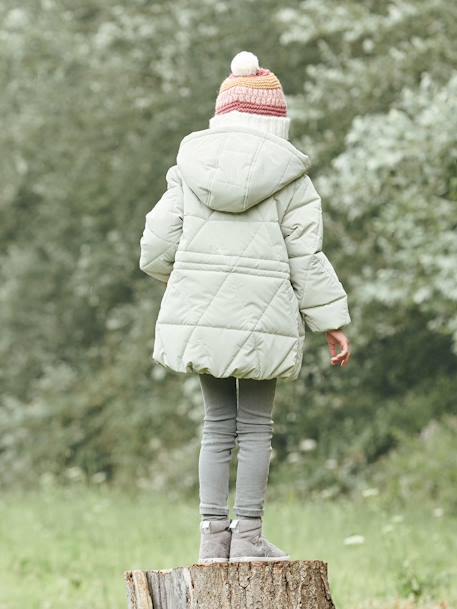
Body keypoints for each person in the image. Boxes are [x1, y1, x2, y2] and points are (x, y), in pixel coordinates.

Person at [139, 51, 352, 564]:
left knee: (216, 425)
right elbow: (307, 256)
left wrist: (187, 280)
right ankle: (249, 537)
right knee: (256, 429)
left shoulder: (187, 170)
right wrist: (333, 322)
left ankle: (213, 539)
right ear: (276, 119)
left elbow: (155, 246)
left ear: (222, 114)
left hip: (203, 320)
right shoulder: (291, 179)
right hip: (265, 318)